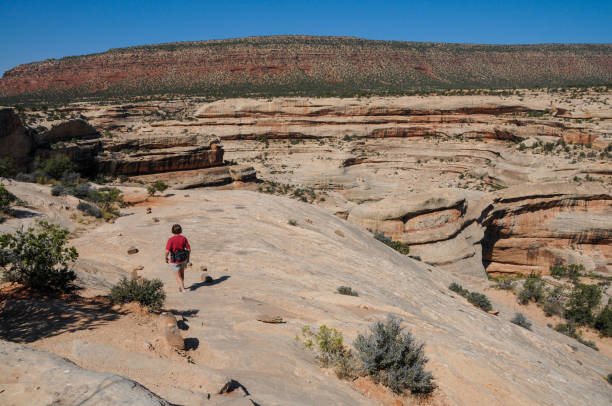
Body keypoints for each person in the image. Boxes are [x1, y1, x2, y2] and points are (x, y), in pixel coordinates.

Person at [165, 224, 191, 293]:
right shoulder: (184, 238)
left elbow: (167, 251)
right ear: (181, 230)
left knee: (177, 275)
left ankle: (182, 289)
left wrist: (165, 258)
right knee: (182, 273)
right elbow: (188, 249)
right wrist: (188, 259)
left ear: (172, 231)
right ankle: (181, 286)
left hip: (174, 260)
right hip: (183, 258)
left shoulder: (171, 240)